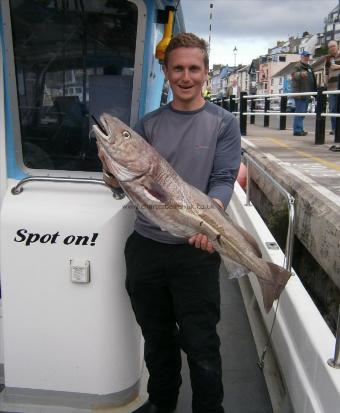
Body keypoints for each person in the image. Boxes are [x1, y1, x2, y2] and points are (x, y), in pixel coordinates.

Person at [102, 33, 241, 413]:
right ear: (165, 72)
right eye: (177, 68)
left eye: (194, 68)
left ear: (206, 73)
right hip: (147, 246)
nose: (185, 76)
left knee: (201, 345)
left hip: (195, 251)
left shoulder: (223, 123)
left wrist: (208, 219)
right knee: (157, 339)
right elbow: (129, 186)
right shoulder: (148, 124)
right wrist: (111, 172)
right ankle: (162, 404)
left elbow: (225, 177)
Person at [291, 50, 317, 136]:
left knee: (303, 112)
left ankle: (300, 129)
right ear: (301, 57)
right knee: (300, 112)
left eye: (308, 56)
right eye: (305, 56)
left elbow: (312, 80)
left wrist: (314, 91)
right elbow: (293, 75)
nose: (306, 58)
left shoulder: (309, 67)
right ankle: (297, 130)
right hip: (299, 93)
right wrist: (300, 74)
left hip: (307, 94)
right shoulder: (297, 66)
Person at [325, 40, 340, 135]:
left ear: (337, 46)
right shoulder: (328, 59)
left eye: (333, 46)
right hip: (331, 88)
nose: (332, 48)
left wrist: (338, 66)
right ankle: (334, 129)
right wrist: (325, 82)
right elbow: (326, 73)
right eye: (330, 47)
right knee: (332, 109)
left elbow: (335, 68)